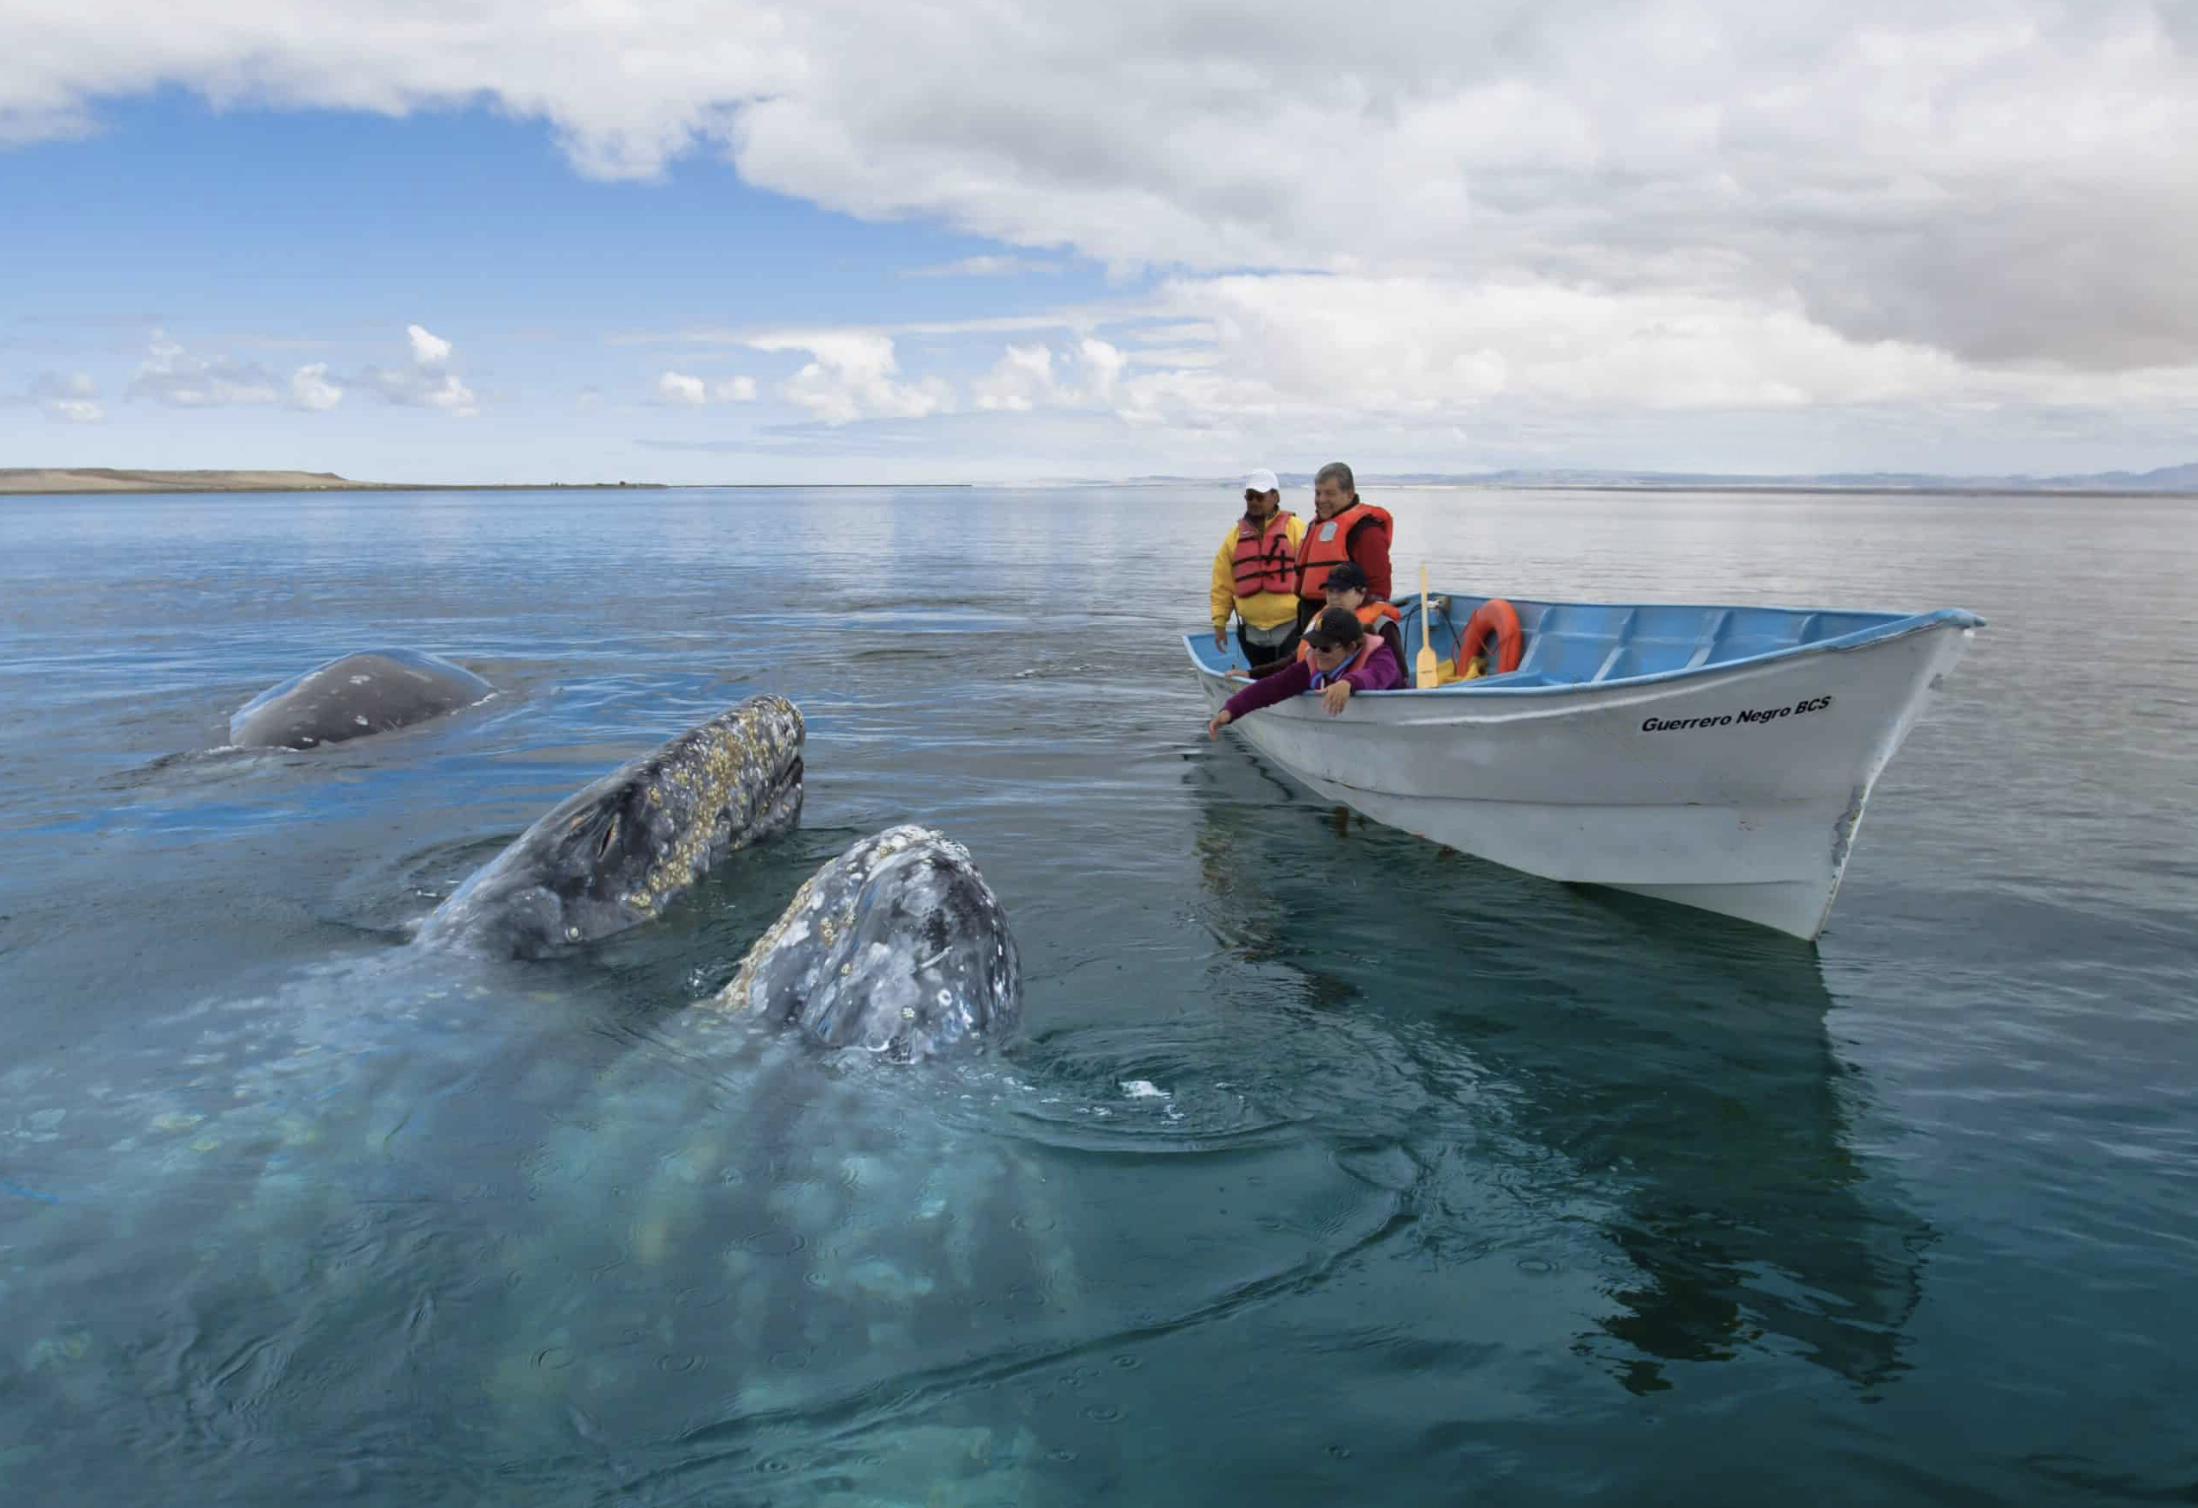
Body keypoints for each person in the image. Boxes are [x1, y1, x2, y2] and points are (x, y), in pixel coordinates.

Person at [1206, 604, 1403, 739]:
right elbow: (1273, 687)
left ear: (1351, 648)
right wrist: (1229, 711)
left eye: (1325, 647)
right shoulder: (1313, 664)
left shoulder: (1382, 657)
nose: (1317, 652)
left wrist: (1348, 683)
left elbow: (1375, 676)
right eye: (1314, 644)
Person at [1230, 561, 1403, 681]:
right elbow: (1295, 661)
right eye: (1330, 591)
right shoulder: (1324, 619)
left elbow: (1398, 673)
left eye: (1341, 592)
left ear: (1361, 593)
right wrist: (1251, 674)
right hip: (1322, 690)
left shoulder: (1382, 625)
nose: (1333, 598)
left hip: (1361, 693)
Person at [1208, 468, 1306, 667]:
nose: (1253, 501)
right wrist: (1219, 622)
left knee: (1286, 681)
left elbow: (1313, 574)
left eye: (1259, 497)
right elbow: (1222, 584)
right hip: (1252, 634)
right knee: (1260, 684)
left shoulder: (1297, 529)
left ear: (1275, 497)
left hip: (1292, 627)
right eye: (1249, 496)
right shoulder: (1233, 538)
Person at [1293, 461, 1393, 632]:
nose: (1321, 500)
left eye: (1330, 493)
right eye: (1318, 493)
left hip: (1343, 633)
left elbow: (1379, 591)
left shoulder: (1366, 532)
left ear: (1349, 494)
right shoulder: (1315, 526)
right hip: (1313, 624)